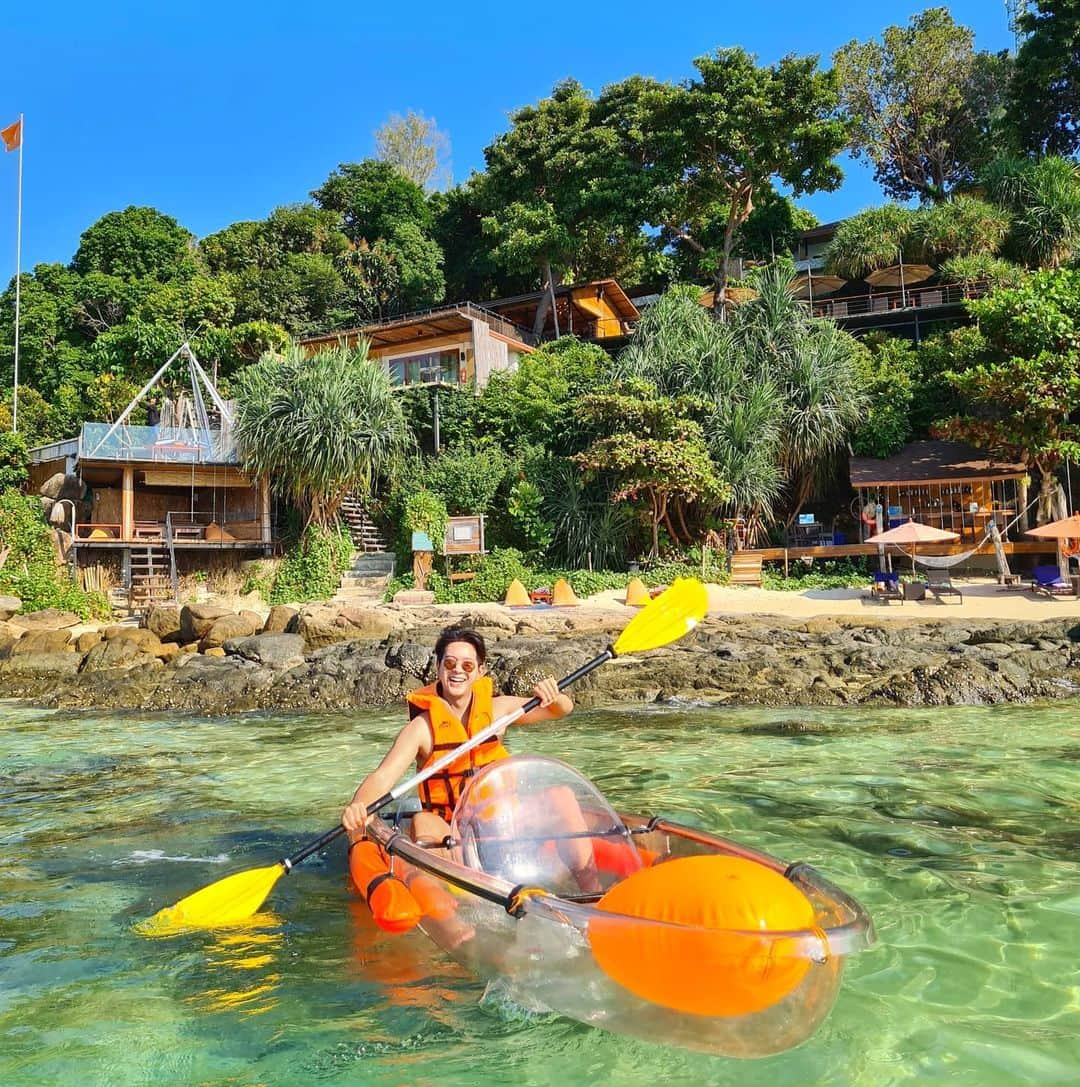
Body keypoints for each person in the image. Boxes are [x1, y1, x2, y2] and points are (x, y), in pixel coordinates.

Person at [342, 625, 601, 892]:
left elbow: (560, 711)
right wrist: (359, 805)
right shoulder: (422, 728)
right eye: (450, 663)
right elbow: (383, 776)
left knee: (562, 796)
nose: (457, 671)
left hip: (503, 824)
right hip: (452, 833)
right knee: (422, 821)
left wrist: (554, 697)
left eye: (467, 666)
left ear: (480, 671)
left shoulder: (498, 711)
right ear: (439, 668)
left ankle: (592, 893)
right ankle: (454, 917)